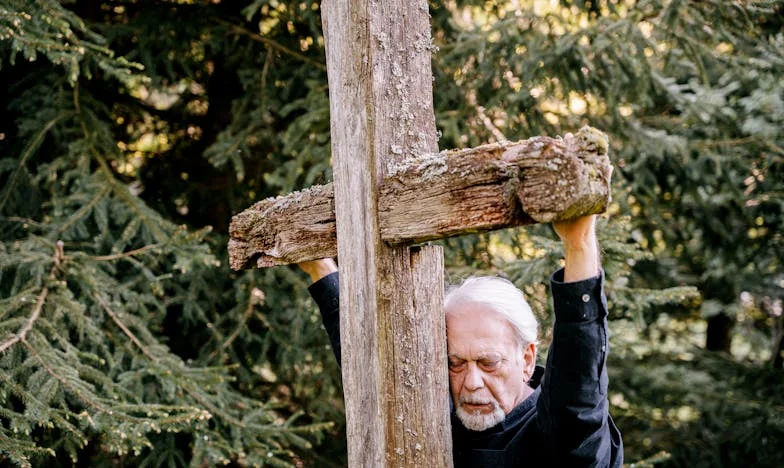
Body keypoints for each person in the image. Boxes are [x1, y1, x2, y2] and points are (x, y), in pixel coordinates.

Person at [298, 214, 623, 467]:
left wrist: (578, 244)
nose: (471, 383)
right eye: (455, 363)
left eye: (488, 363)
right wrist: (321, 270)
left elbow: (577, 390)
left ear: (526, 360)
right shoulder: (433, 414)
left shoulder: (562, 435)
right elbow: (373, 373)